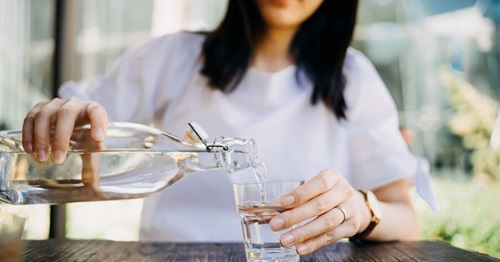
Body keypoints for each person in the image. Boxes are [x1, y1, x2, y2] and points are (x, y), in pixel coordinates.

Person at [21, 0, 437, 255]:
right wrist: (65, 120)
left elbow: (406, 219)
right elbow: (87, 126)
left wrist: (363, 210)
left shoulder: (353, 78)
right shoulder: (174, 58)